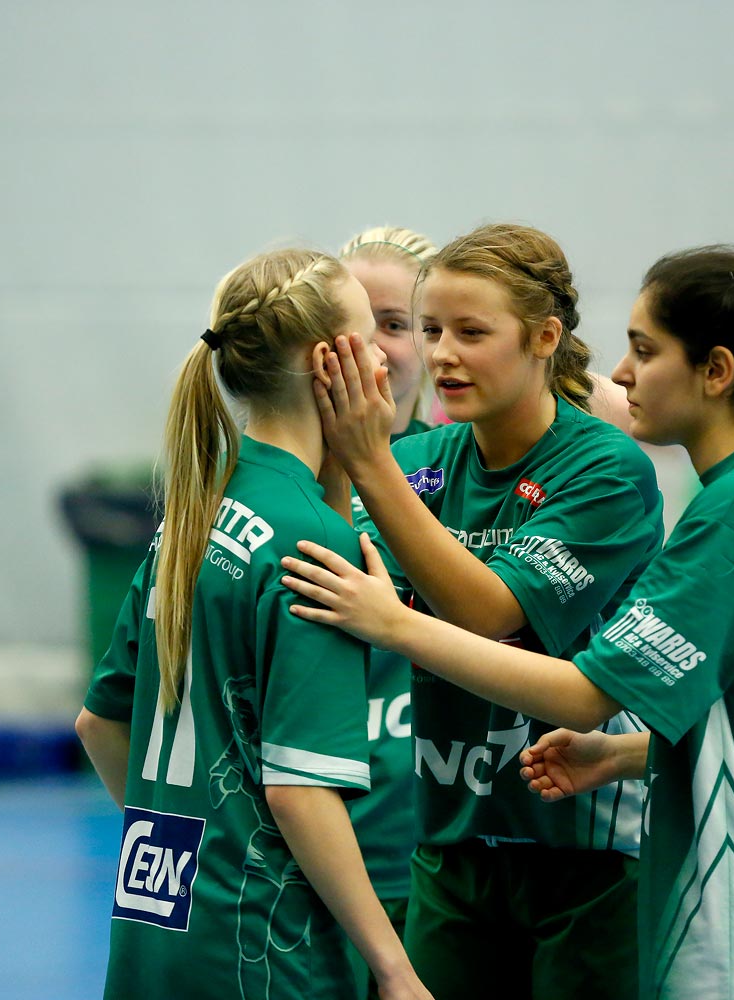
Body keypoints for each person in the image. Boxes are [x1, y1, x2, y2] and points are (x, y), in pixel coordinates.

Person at [284, 245, 734, 999]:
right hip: (472, 832)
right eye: (425, 330)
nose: (619, 376)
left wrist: (395, 620)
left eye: (644, 350)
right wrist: (627, 754)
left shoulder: (719, 508)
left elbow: (568, 680)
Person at [311, 222, 664, 1000]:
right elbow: (346, 569)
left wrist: (366, 461)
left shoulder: (605, 468)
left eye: (471, 332)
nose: (441, 355)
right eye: (430, 329)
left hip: (588, 846)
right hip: (452, 837)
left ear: (544, 337)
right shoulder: (418, 465)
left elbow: (488, 614)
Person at [74, 248, 430, 1000]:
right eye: (372, 335)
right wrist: (394, 970)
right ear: (329, 360)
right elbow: (300, 790)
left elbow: (97, 725)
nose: (388, 362)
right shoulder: (308, 541)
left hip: (154, 927)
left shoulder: (193, 514)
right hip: (261, 942)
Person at [336, 225, 437, 996]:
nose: (373, 346)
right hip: (319, 862)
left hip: (438, 860)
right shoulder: (281, 483)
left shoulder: (480, 470)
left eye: (397, 325)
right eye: (355, 322)